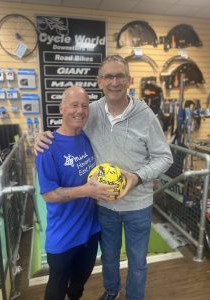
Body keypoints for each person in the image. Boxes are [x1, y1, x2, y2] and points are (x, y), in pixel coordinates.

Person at [34, 55, 173, 300]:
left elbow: (165, 157)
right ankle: (111, 292)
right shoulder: (91, 111)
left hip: (138, 205)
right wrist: (39, 136)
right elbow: (68, 127)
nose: (114, 82)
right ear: (100, 82)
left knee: (138, 261)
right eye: (108, 76)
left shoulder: (145, 115)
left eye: (120, 76)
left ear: (129, 80)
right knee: (108, 258)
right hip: (104, 205)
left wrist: (138, 177)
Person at [35, 86, 118, 300]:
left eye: (84, 106)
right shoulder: (47, 147)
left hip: (89, 233)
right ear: (61, 108)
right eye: (73, 105)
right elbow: (49, 194)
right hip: (63, 236)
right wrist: (88, 191)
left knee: (78, 285)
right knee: (57, 286)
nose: (79, 110)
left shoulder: (86, 138)